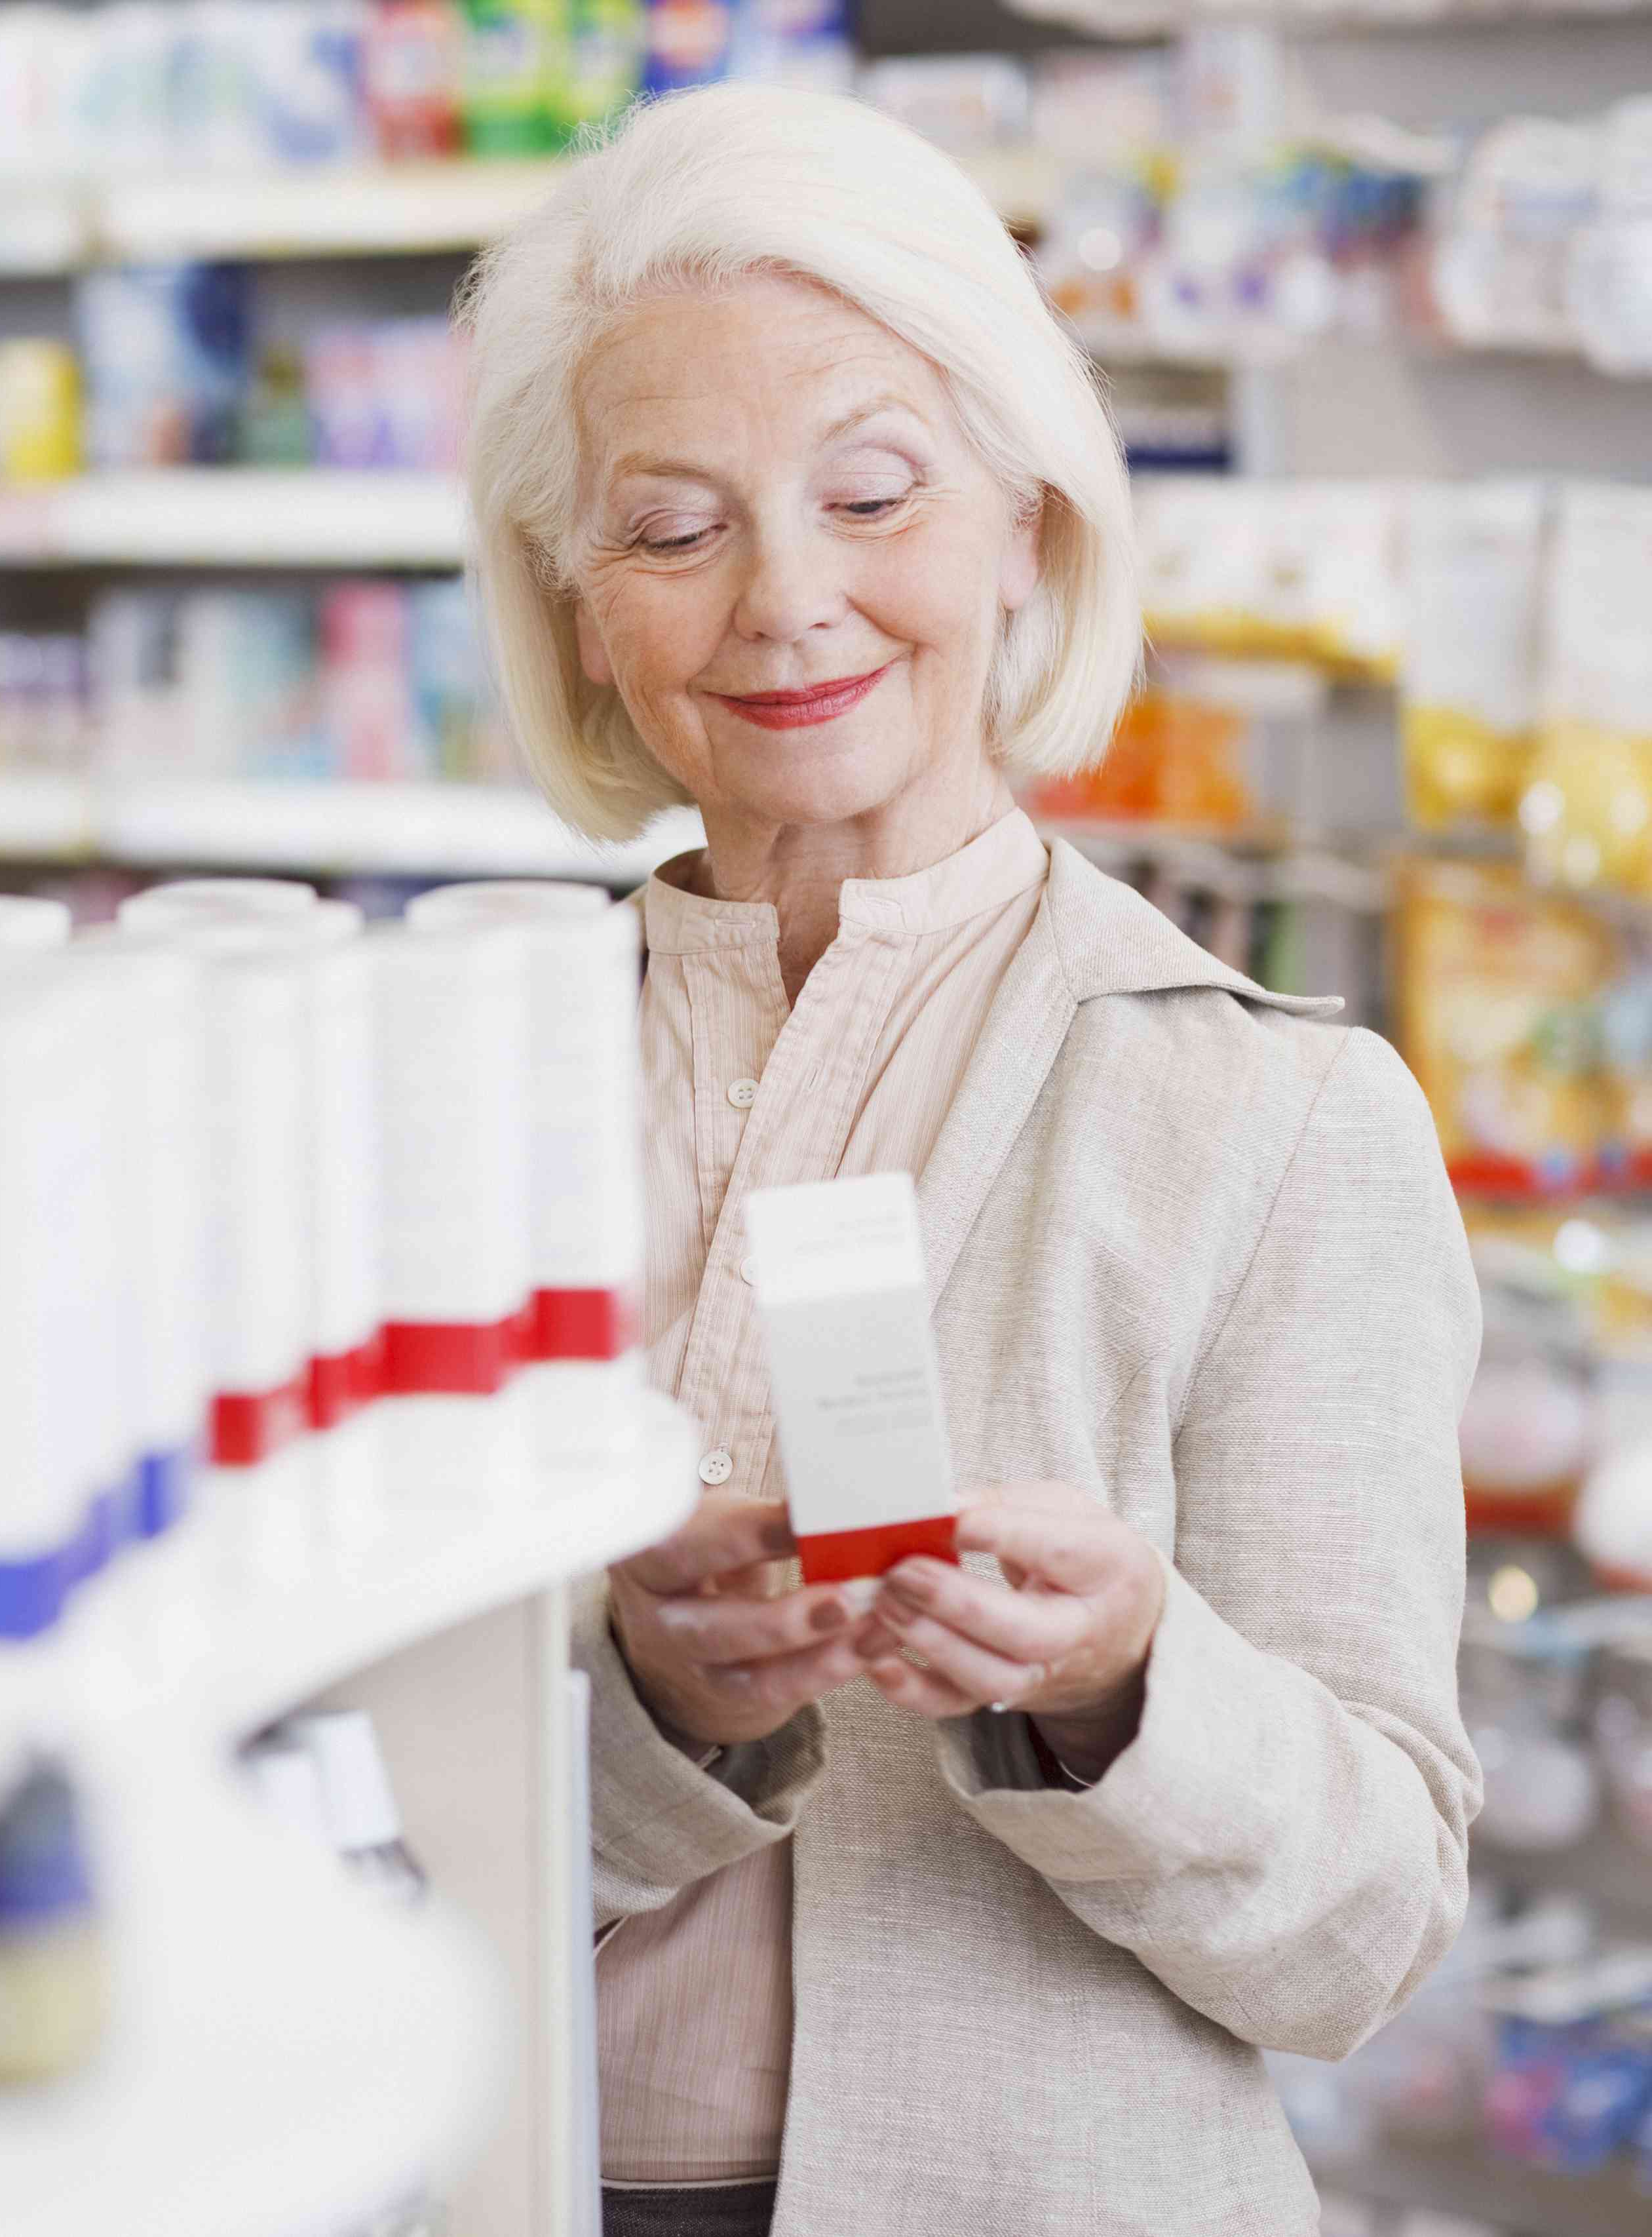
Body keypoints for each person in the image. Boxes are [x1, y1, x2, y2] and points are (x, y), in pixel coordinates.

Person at [459, 84, 1480, 2237]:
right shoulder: (448, 1088)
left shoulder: (1274, 1121)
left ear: (1024, 521)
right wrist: (654, 1714)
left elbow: (1363, 1940)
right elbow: (310, 1835)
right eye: (674, 528)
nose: (786, 600)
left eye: (872, 491)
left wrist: (1121, 1695)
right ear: (573, 613)